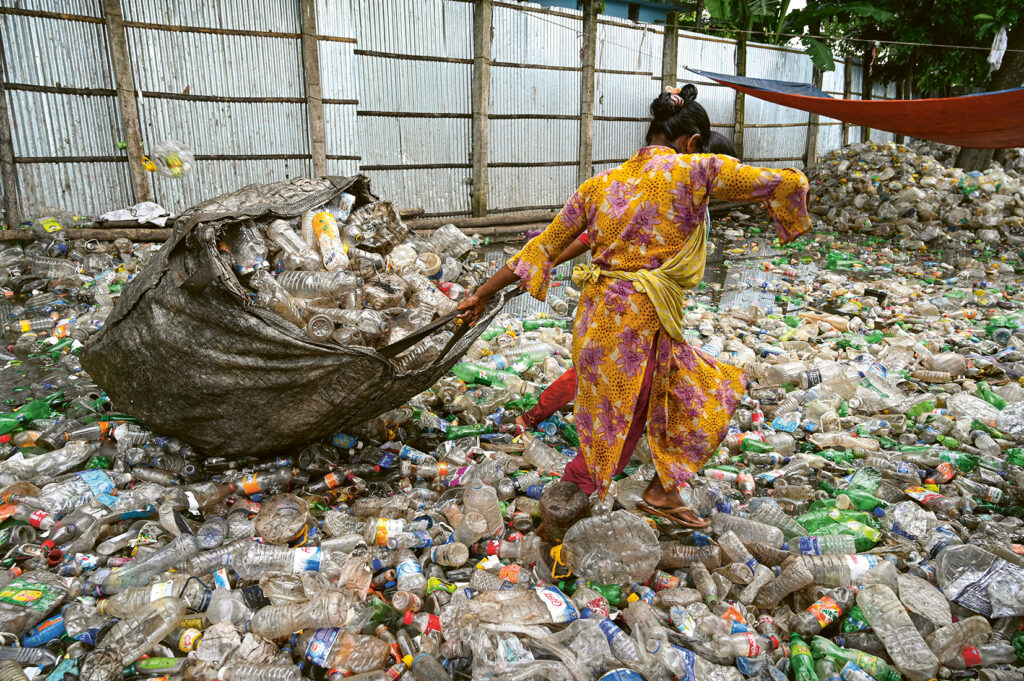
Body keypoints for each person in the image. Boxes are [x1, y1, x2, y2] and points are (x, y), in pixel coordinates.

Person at [457, 84, 811, 516]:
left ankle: (660, 492)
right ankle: (562, 513)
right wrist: (792, 212)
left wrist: (479, 294)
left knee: (674, 396)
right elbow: (783, 182)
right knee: (623, 425)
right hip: (636, 328)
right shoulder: (696, 171)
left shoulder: (600, 185)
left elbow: (539, 250)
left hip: (600, 321)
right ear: (692, 142)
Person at [515, 131, 741, 433]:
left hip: (656, 305)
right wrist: (544, 264)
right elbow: (589, 236)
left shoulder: (692, 201)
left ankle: (644, 439)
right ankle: (544, 426)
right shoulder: (669, 194)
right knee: (596, 370)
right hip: (630, 303)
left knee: (650, 372)